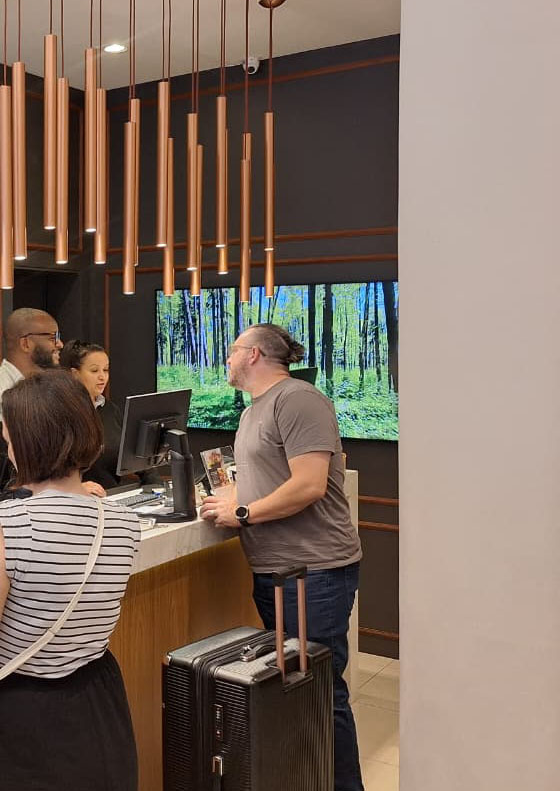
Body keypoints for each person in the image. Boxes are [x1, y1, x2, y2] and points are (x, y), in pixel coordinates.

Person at [0, 370, 142, 791]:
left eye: (9, 441)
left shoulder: (8, 523)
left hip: (25, 718)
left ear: (29, 444)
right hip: (101, 707)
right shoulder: (123, 521)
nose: (8, 453)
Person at [200, 323, 364, 791]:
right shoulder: (254, 410)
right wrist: (230, 497)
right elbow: (270, 478)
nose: (227, 360)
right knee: (294, 692)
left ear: (253, 354)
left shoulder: (297, 399)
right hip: (276, 571)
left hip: (313, 572)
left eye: (232, 351)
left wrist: (244, 512)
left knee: (320, 693)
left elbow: (309, 484)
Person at [0, 308, 62, 424]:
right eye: (53, 338)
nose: (60, 344)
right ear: (25, 344)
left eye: (58, 337)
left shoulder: (53, 389)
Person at [59, 340, 122, 493]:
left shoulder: (110, 410)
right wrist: (74, 487)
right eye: (94, 371)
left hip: (112, 496)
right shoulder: (60, 413)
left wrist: (154, 483)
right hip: (75, 498)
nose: (102, 377)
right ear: (74, 374)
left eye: (105, 370)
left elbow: (132, 455)